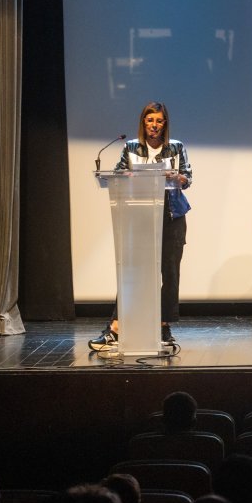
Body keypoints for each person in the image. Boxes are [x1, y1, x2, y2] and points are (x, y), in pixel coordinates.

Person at [91, 101, 193, 350]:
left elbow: (187, 178)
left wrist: (176, 177)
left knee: (169, 273)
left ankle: (163, 326)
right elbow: (116, 175)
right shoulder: (131, 147)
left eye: (158, 121)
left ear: (164, 123)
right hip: (139, 218)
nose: (154, 125)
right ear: (143, 123)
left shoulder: (176, 147)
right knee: (132, 273)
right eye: (150, 121)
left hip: (172, 218)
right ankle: (116, 327)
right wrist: (128, 176)